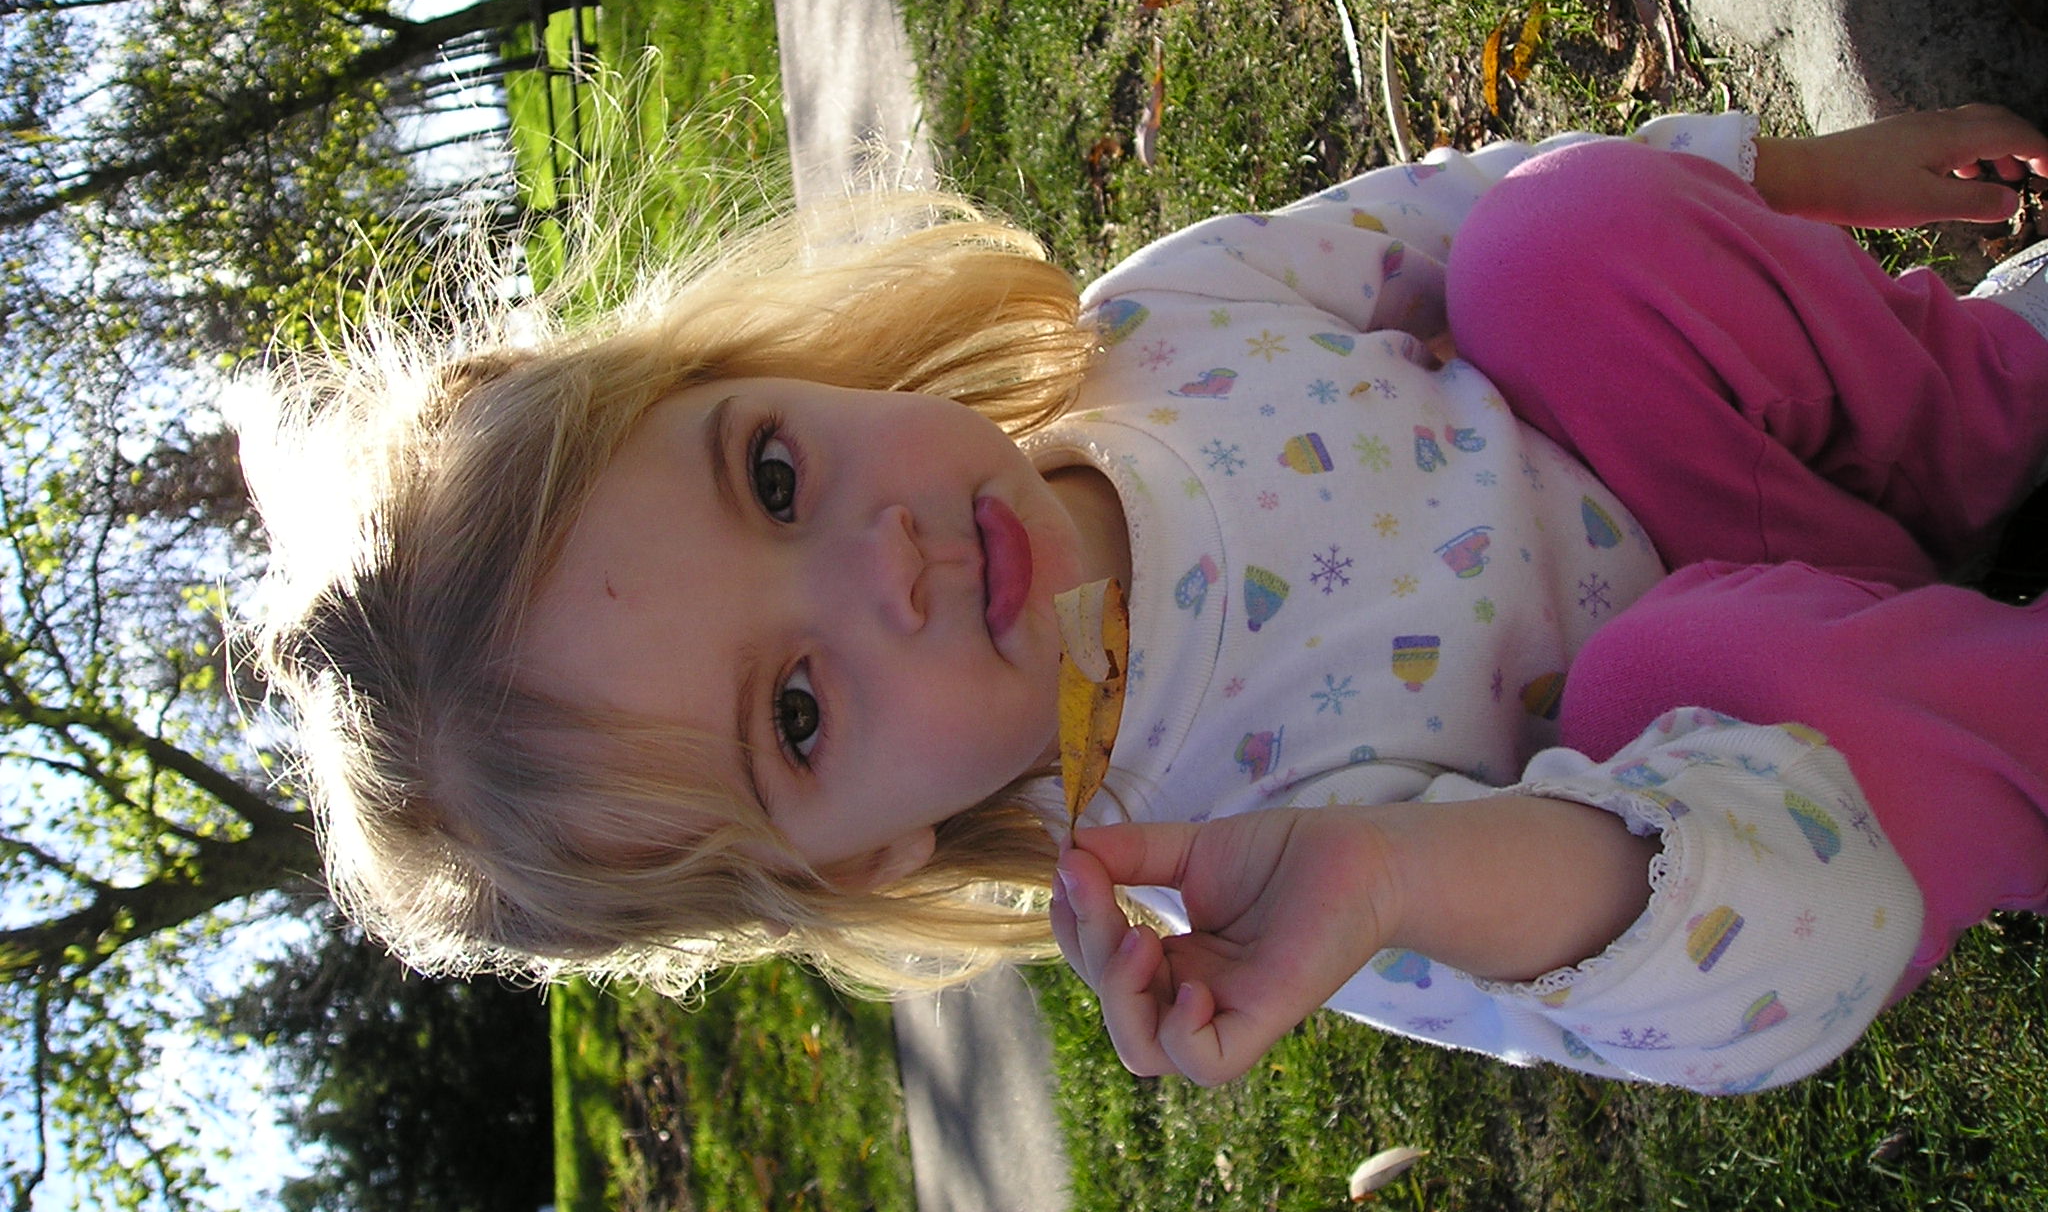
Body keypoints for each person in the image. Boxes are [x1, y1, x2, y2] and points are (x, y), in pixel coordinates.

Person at [235, 102, 2048, 1098]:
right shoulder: (1224, 851)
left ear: (751, 370)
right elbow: (1728, 978)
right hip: (1782, 747)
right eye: (797, 710)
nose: (887, 567)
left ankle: (1986, 414)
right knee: (1690, 653)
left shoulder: (1151, 336)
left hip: (1766, 484)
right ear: (858, 856)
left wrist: (1784, 179)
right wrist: (1406, 881)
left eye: (772, 477)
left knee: (1548, 252)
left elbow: (1443, 207)